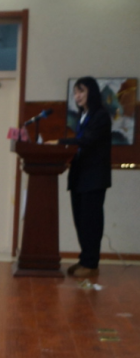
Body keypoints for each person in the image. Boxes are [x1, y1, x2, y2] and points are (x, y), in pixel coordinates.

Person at [50, 76, 113, 278]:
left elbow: (86, 141)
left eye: (81, 91)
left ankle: (91, 263)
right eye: (75, 92)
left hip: (93, 178)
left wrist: (59, 142)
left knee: (91, 222)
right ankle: (85, 259)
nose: (77, 96)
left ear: (91, 92)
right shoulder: (83, 116)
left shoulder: (101, 116)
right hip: (79, 176)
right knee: (80, 220)